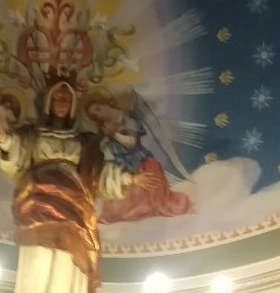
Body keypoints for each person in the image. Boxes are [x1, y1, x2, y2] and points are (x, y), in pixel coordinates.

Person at [0, 80, 157, 293]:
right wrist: (3, 139)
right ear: (48, 102)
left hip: (75, 211)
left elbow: (98, 174)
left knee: (68, 274)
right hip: (37, 207)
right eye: (57, 97)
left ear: (74, 105)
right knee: (38, 272)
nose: (62, 101)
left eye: (67, 97)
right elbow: (15, 157)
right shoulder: (33, 134)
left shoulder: (85, 142)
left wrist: (129, 180)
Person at [82, 94, 195, 224]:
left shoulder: (127, 117)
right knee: (116, 211)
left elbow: (132, 142)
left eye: (98, 109)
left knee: (153, 205)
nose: (98, 115)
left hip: (140, 163)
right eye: (94, 115)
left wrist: (113, 134)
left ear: (104, 103)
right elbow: (103, 150)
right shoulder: (103, 127)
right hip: (121, 167)